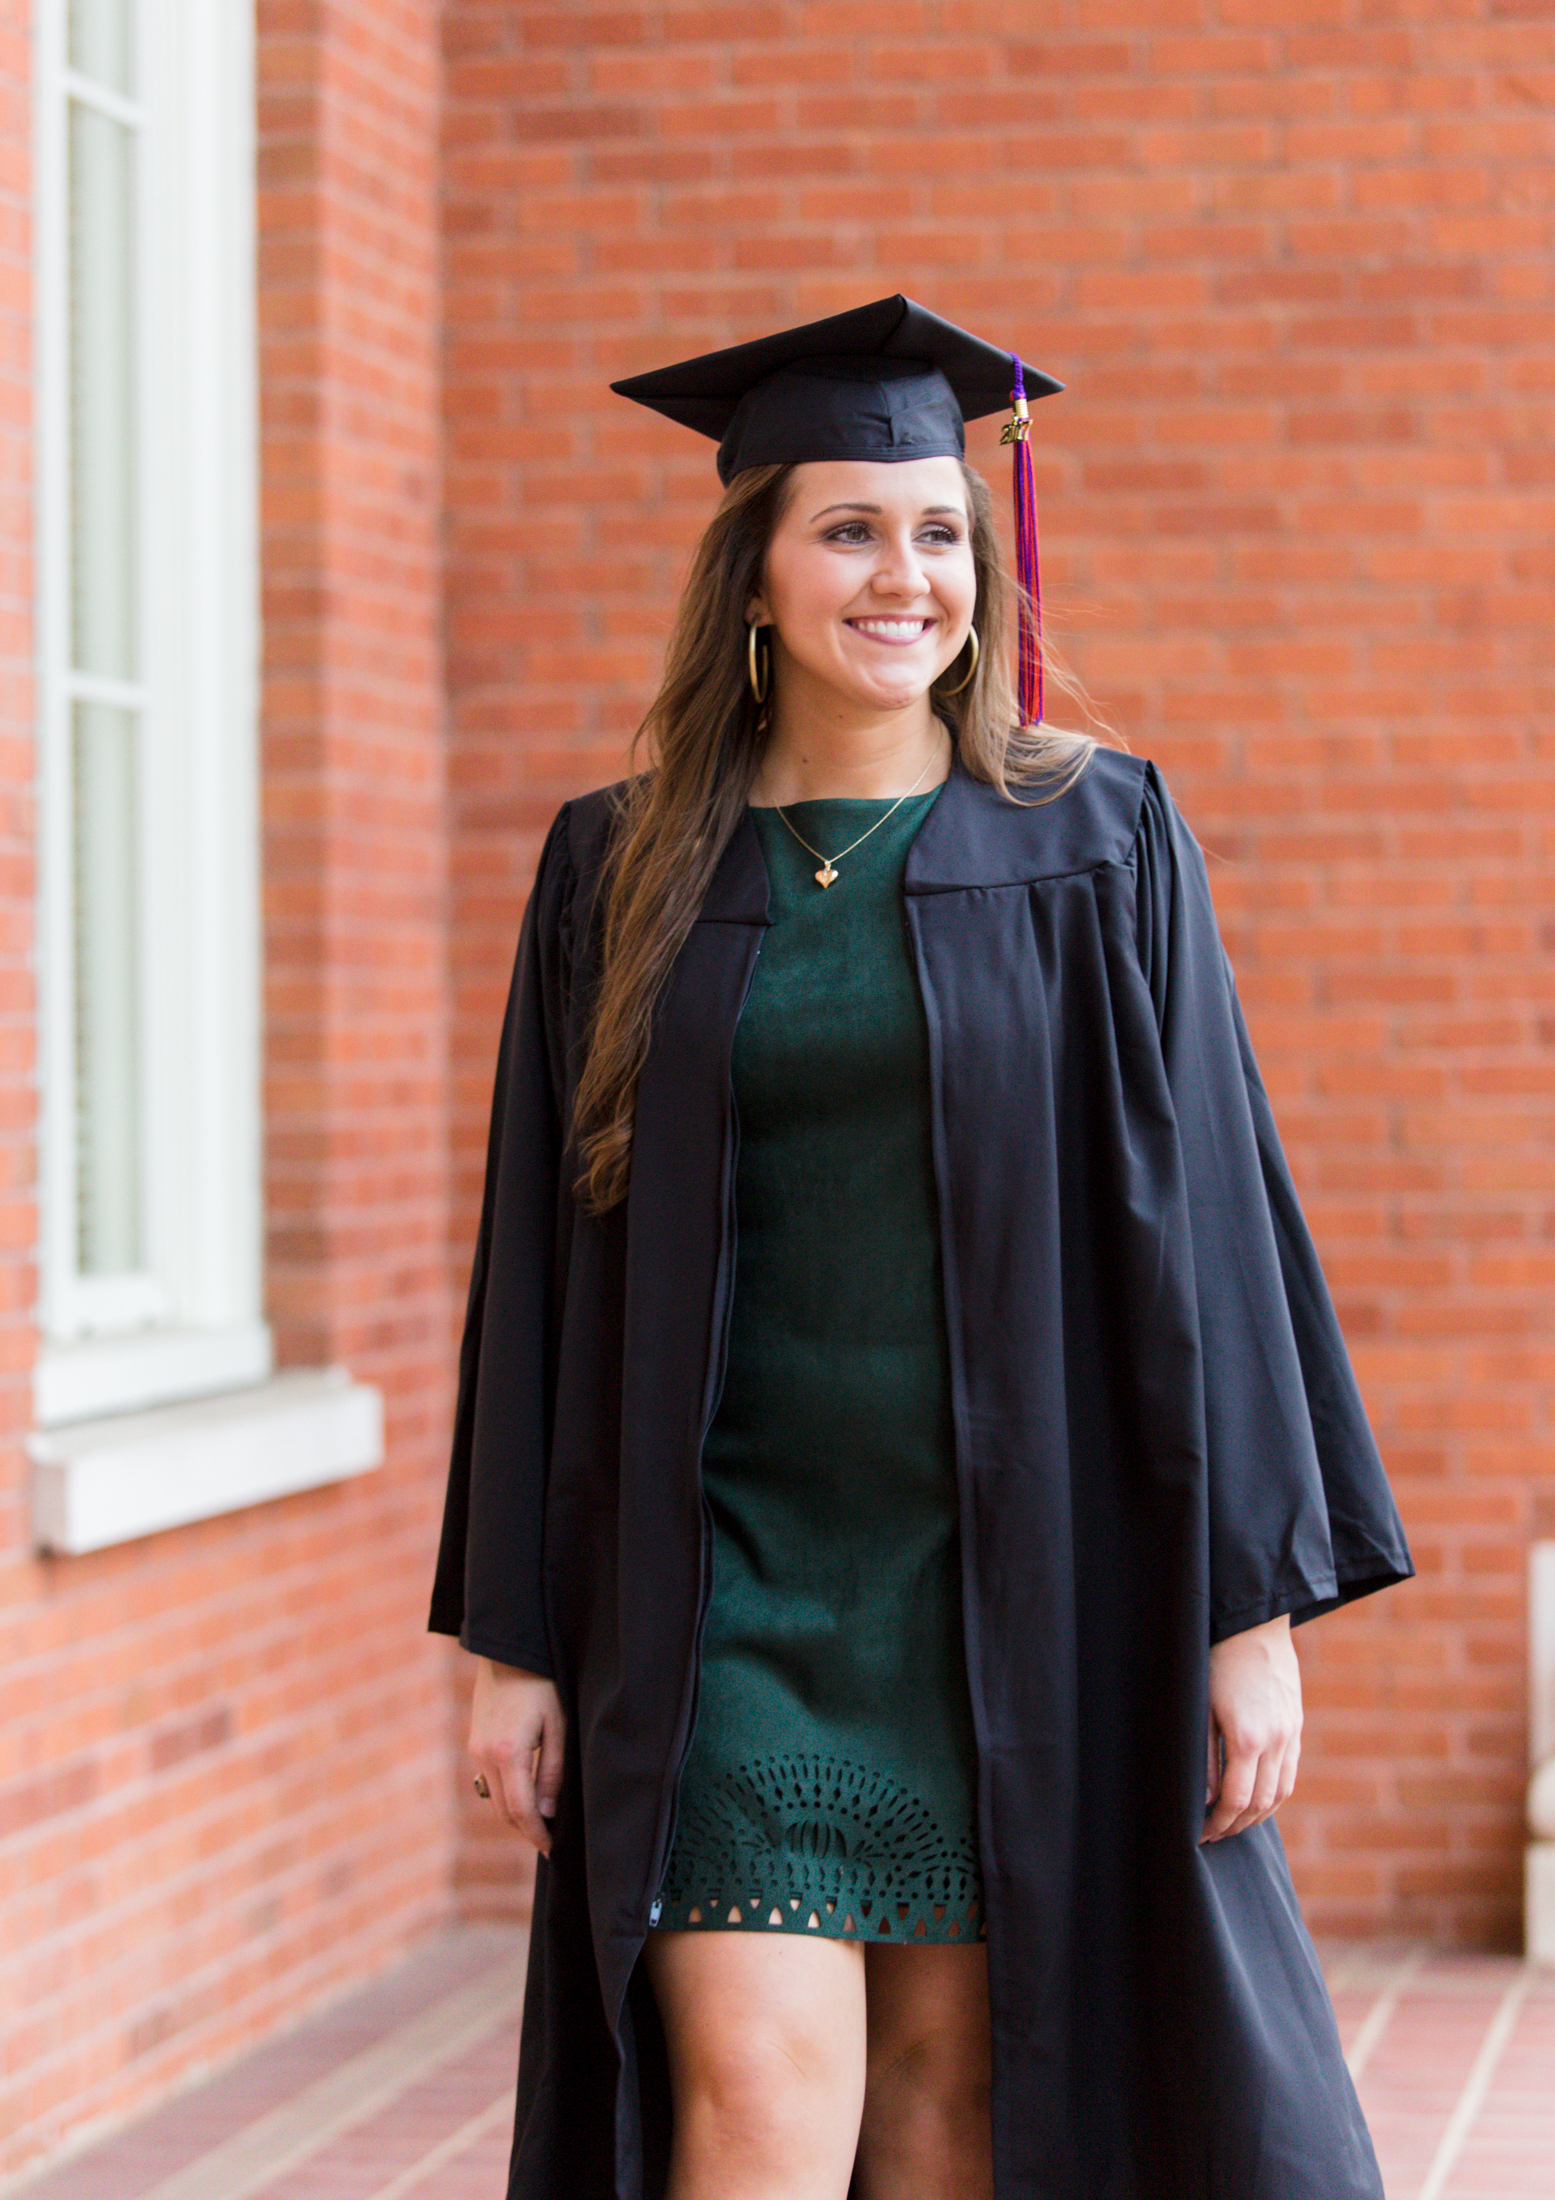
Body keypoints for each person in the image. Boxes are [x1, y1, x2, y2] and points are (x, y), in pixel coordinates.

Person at [429, 296, 1413, 2200]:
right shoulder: (619, 867)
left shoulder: (1096, 841)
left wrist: (1244, 1610)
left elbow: (1214, 1222)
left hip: (1011, 1596)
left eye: (940, 529)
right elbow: (535, 1275)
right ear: (755, 576)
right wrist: (515, 1636)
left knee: (958, 2114)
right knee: (747, 2106)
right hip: (720, 1605)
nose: (906, 574)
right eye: (849, 529)